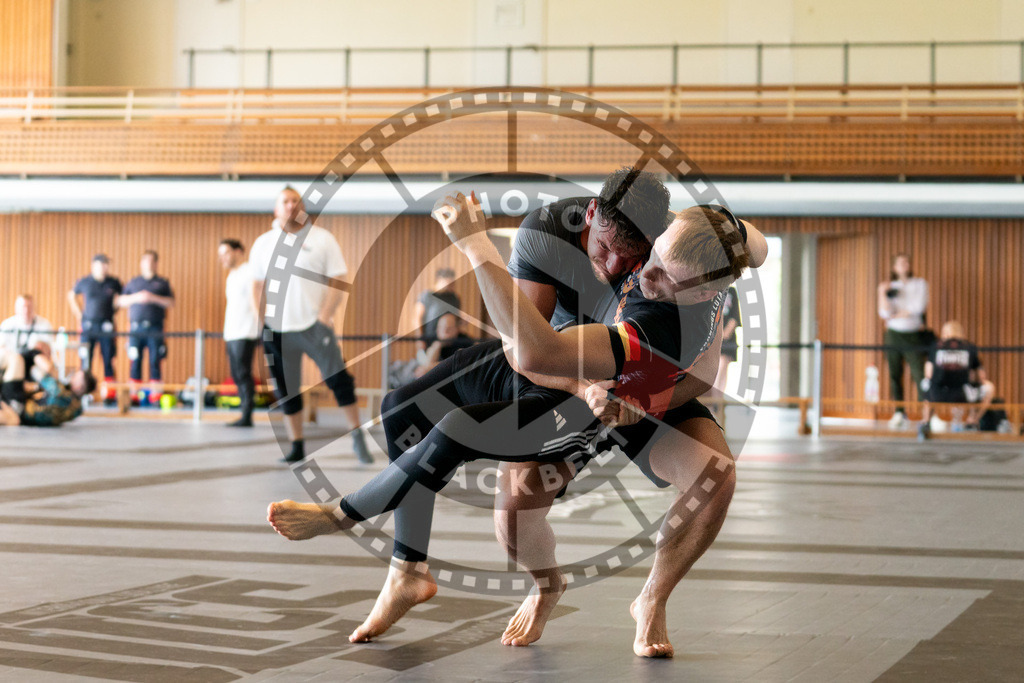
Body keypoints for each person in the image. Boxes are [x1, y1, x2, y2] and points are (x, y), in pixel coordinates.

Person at [268, 195, 767, 657]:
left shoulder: (652, 323)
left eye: (661, 277)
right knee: (420, 423)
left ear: (707, 289)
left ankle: (652, 600)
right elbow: (523, 353)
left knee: (714, 477)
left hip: (622, 380)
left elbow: (542, 352)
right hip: (584, 376)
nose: (638, 274)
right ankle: (415, 570)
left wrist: (474, 243)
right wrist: (588, 388)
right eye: (649, 255)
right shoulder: (712, 239)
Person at [249, 186, 372, 464]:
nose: (291, 205)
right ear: (276, 209)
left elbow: (339, 279)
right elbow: (256, 286)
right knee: (286, 389)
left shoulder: (322, 238)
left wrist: (326, 314)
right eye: (285, 201)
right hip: (277, 329)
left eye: (296, 200)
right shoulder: (263, 243)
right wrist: (262, 321)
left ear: (302, 207)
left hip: (314, 326)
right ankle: (297, 446)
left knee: (339, 380)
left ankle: (357, 437)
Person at [917, 321, 996, 439]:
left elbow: (928, 373)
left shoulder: (936, 346)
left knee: (926, 383)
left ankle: (926, 421)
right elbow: (982, 376)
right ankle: (972, 421)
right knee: (988, 387)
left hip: (937, 394)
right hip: (962, 394)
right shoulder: (969, 347)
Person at [877, 253, 929, 429]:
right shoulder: (890, 286)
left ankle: (926, 413)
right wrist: (882, 293)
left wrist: (896, 315)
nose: (904, 265)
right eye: (900, 263)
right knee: (894, 374)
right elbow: (884, 313)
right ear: (894, 267)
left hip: (913, 333)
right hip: (893, 335)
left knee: (919, 374)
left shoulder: (919, 284)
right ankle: (899, 412)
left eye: (906, 261)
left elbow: (918, 308)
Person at [119, 251, 175, 400]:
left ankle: (155, 395)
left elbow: (171, 302)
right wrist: (137, 297)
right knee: (135, 360)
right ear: (141, 263)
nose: (149, 264)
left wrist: (152, 298)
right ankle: (134, 396)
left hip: (155, 327)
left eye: (152, 261)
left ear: (156, 263)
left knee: (155, 361)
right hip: (136, 328)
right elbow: (120, 301)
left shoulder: (162, 283)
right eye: (146, 261)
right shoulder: (134, 282)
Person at [218, 239, 260, 427]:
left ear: (238, 251)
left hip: (246, 331)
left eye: (226, 253)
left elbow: (256, 299)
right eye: (220, 255)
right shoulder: (231, 276)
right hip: (232, 332)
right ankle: (244, 412)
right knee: (236, 374)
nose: (223, 258)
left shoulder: (249, 272)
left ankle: (247, 415)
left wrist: (261, 326)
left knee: (243, 373)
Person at [68, 254, 123, 396]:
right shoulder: (85, 281)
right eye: (101, 264)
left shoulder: (113, 282)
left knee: (108, 360)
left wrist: (114, 310)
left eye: (106, 264)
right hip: (88, 327)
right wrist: (79, 315)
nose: (104, 267)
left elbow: (122, 299)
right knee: (85, 361)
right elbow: (71, 295)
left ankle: (109, 394)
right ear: (94, 265)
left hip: (106, 326)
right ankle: (84, 393)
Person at [0, 349, 95, 427]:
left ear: (79, 387)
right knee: (16, 360)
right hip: (20, 408)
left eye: (75, 377)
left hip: (18, 407)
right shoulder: (77, 409)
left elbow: (41, 373)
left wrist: (38, 356)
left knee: (16, 359)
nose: (72, 377)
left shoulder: (60, 393)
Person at [414, 268, 461, 350]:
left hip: (450, 340)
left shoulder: (454, 298)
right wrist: (420, 339)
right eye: (449, 283)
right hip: (430, 338)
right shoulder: (427, 295)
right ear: (440, 280)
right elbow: (417, 318)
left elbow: (456, 318)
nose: (451, 286)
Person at [712, 285, 741, 392]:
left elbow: (735, 317)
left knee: (722, 368)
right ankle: (714, 401)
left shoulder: (731, 291)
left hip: (726, 340)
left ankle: (718, 401)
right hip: (710, 340)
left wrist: (724, 334)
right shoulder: (707, 290)